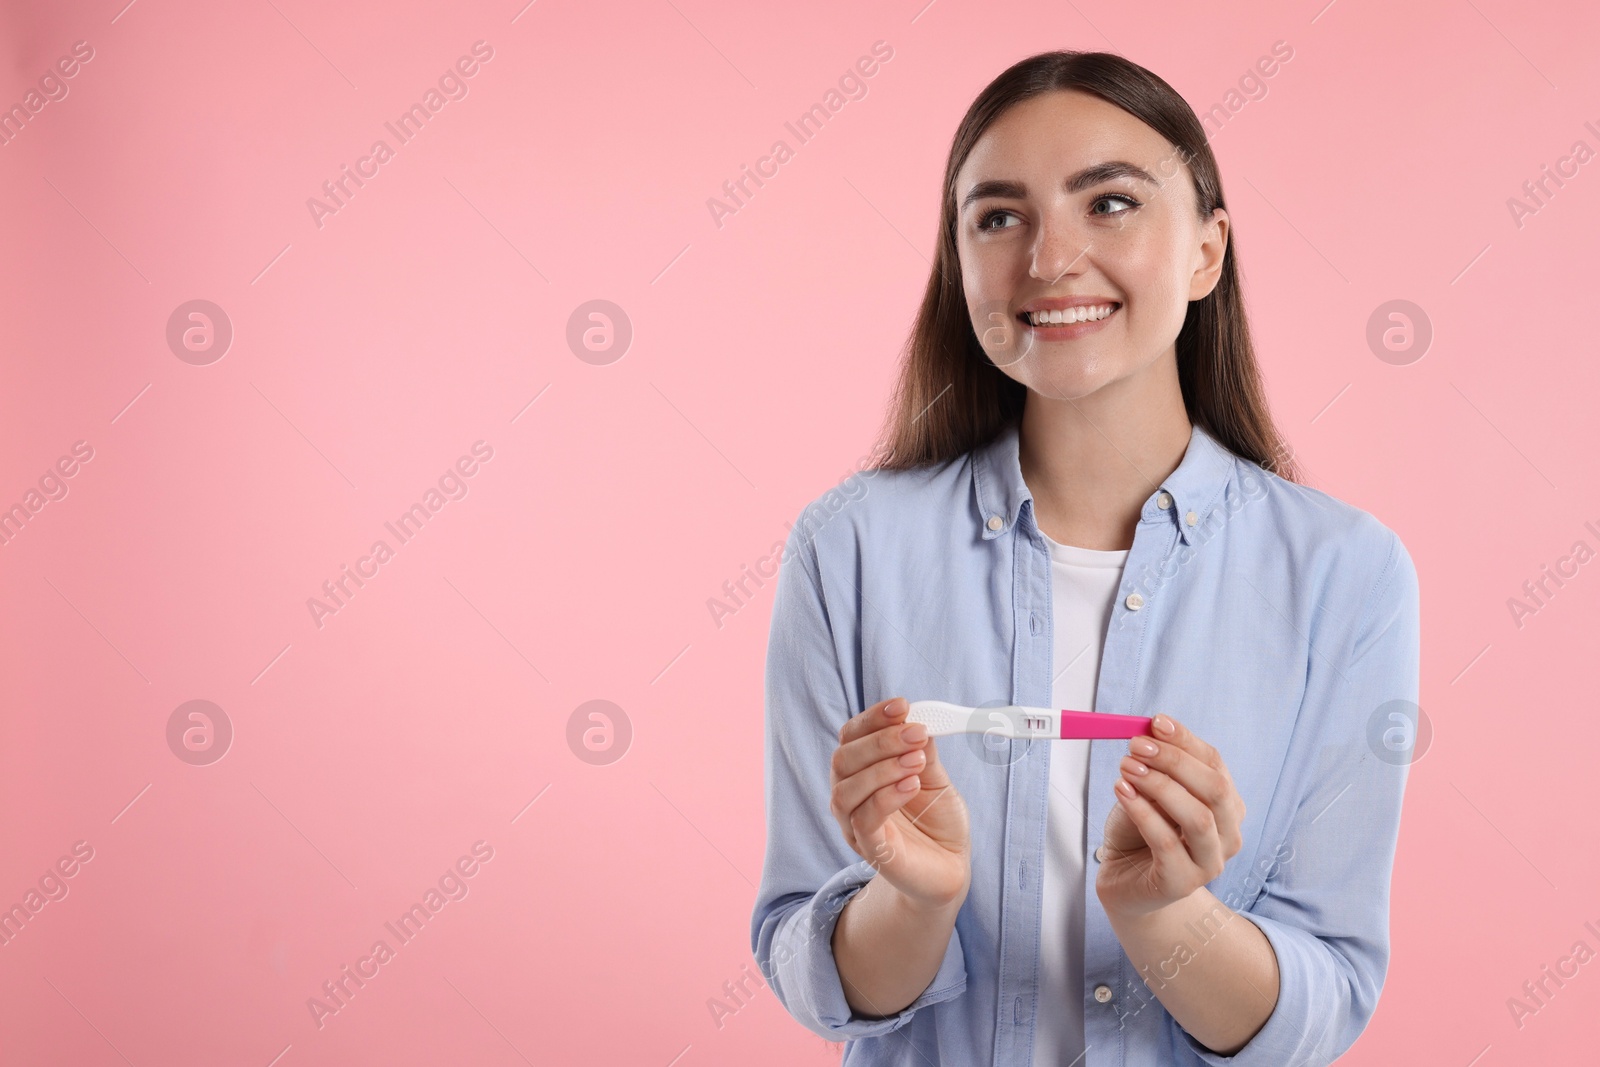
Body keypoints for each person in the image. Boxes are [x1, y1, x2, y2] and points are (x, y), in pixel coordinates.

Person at [749, 50, 1421, 1066]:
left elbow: (1325, 997)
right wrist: (912, 897)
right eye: (997, 216)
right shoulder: (846, 548)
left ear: (1206, 250)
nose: (1049, 259)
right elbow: (812, 968)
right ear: (958, 260)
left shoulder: (1346, 575)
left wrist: (1166, 916)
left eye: (1109, 203)